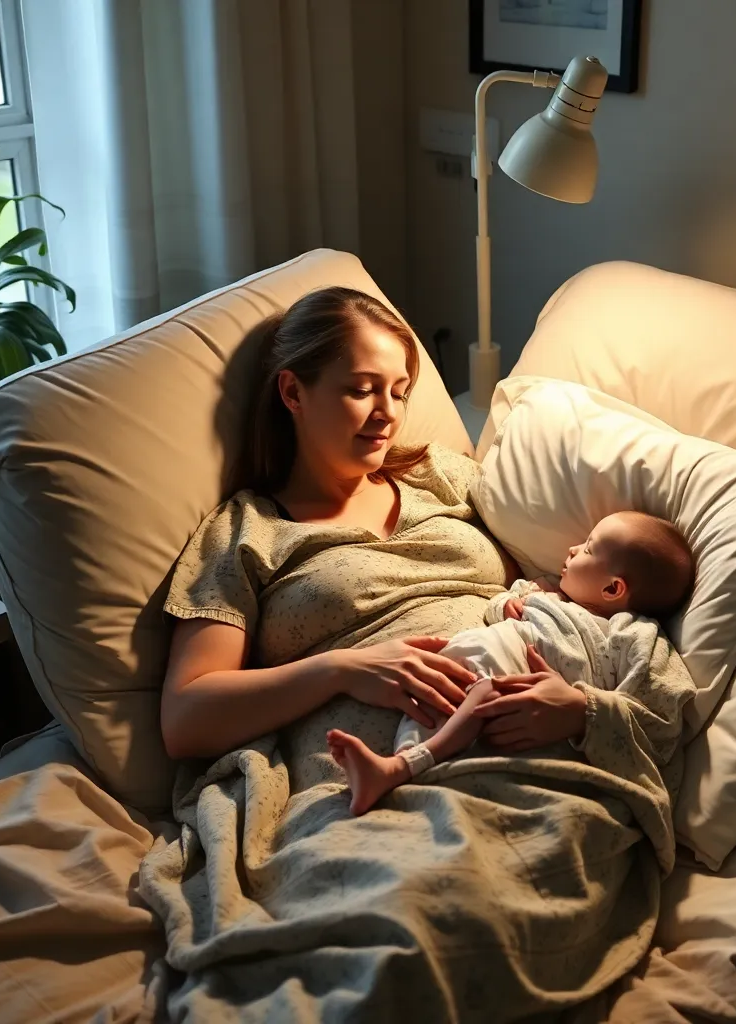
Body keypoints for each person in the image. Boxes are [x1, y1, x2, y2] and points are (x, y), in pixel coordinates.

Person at [161, 285, 591, 769]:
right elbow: (186, 719)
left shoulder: (442, 476)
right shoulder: (247, 532)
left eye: (400, 392)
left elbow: (569, 582)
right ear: (292, 392)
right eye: (362, 390)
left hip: (533, 742)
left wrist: (582, 707)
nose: (387, 412)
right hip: (371, 777)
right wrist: (342, 670)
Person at [328, 511, 695, 814]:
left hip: (509, 685)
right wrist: (506, 605)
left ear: (613, 589)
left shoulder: (633, 633)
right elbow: (498, 608)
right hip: (459, 672)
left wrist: (587, 707)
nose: (571, 549)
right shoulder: (542, 593)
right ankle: (400, 764)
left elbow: (659, 708)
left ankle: (400, 768)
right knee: (435, 709)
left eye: (587, 548)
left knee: (480, 697)